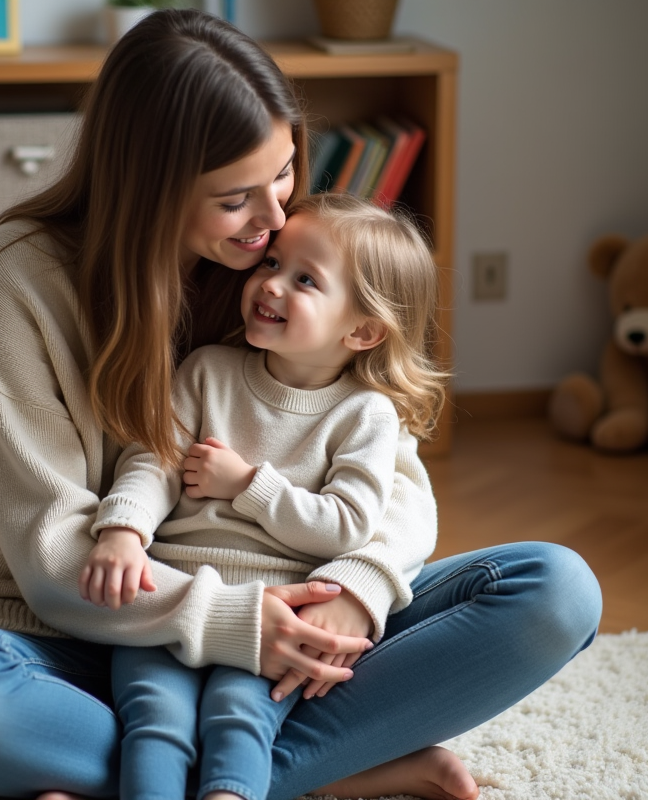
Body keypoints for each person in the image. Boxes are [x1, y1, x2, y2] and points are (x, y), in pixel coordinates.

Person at [0, 10, 602, 800]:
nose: (277, 217)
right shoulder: (18, 282)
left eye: (285, 172)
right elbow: (53, 562)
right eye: (236, 198)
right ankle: (313, 773)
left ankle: (176, 773)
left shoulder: (277, 268)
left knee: (554, 591)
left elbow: (390, 479)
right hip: (73, 633)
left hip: (292, 604)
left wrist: (355, 593)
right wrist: (236, 623)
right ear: (147, 188)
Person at [81, 191, 450, 800]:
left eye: (305, 279)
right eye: (272, 264)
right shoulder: (206, 371)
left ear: (362, 329)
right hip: (170, 598)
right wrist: (122, 530)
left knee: (238, 722)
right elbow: (154, 460)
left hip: (277, 616)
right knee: (152, 722)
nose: (271, 284)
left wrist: (248, 486)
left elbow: (346, 527)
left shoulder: (366, 416)